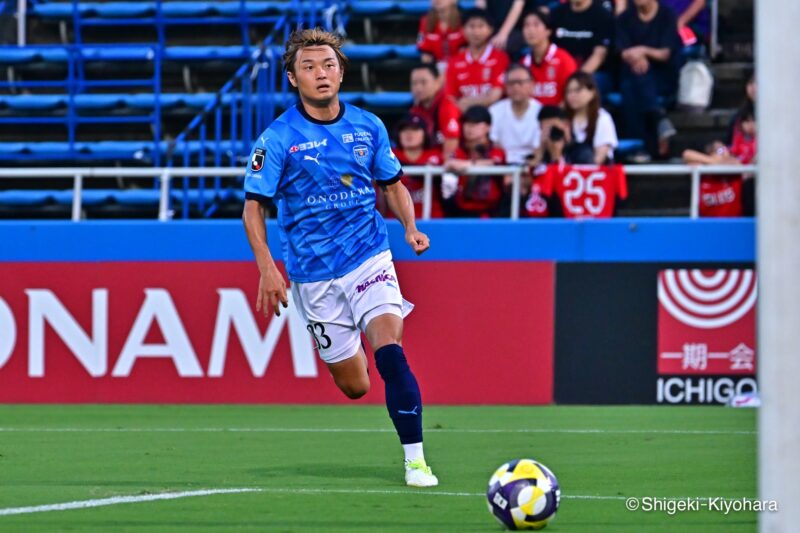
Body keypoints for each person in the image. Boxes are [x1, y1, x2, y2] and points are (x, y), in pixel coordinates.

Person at [242, 29, 438, 488]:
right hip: (313, 275)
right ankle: (354, 346)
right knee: (356, 386)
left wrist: (409, 227)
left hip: (369, 256)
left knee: (391, 353)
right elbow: (253, 208)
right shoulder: (277, 139)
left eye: (328, 65)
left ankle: (416, 461)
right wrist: (267, 266)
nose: (321, 74)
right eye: (309, 67)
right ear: (293, 78)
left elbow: (392, 184)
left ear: (341, 72)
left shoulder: (369, 126)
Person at [616, 0, 682, 159]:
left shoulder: (667, 15)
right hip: (633, 72)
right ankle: (657, 117)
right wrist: (637, 58)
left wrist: (643, 51)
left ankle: (639, 147)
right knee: (631, 86)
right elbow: (622, 51)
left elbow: (665, 53)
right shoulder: (624, 18)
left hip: (662, 76)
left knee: (631, 87)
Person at [444, 105, 507, 217]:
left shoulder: (496, 150)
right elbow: (449, 163)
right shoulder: (459, 150)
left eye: (475, 123)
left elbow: (494, 163)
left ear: (488, 127)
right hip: (460, 209)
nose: (469, 128)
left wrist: (467, 165)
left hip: (491, 210)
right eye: (467, 123)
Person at [445, 8, 510, 112]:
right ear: (463, 30)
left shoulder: (500, 57)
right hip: (465, 115)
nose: (476, 32)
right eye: (471, 26)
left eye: (481, 26)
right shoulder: (454, 62)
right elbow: (450, 97)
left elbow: (495, 96)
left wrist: (467, 102)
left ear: (490, 29)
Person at [387, 114, 445, 219]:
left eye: (415, 129)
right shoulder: (388, 155)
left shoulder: (437, 156)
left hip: (432, 218)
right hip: (396, 219)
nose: (409, 134)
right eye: (404, 130)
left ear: (425, 134)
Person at [520, 7, 578, 107]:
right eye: (526, 25)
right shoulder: (523, 63)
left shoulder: (563, 59)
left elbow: (572, 95)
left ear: (548, 31)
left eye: (536, 25)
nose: (530, 30)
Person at [489, 64, 542, 165]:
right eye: (511, 83)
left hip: (532, 164)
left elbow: (538, 148)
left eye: (520, 82)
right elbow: (494, 143)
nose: (516, 87)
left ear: (531, 85)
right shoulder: (494, 111)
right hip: (501, 165)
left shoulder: (540, 112)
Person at [563, 71, 619, 164]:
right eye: (569, 91)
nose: (572, 95)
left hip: (595, 170)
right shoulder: (563, 119)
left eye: (577, 90)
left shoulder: (602, 118)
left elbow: (599, 158)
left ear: (592, 92)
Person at [409, 62, 462, 159]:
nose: (418, 88)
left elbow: (451, 148)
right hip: (426, 162)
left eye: (423, 82)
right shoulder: (415, 110)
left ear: (438, 82)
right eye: (414, 83)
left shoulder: (447, 106)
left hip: (445, 164)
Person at [550, 0, 615, 76]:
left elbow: (599, 54)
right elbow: (550, 48)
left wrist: (578, 78)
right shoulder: (557, 13)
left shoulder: (602, 15)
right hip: (561, 70)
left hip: (591, 72)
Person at [417, 0, 467, 69]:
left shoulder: (464, 20)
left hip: (460, 67)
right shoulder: (425, 21)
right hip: (435, 67)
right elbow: (425, 54)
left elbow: (467, 51)